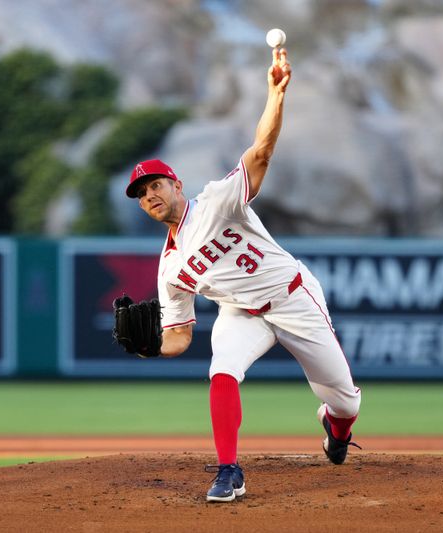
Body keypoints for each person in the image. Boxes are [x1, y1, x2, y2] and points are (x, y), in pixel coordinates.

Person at [123, 48, 361, 502]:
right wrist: (150, 347)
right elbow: (179, 336)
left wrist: (275, 95)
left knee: (345, 400)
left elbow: (262, 151)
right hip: (242, 313)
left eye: (155, 185)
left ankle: (336, 427)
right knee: (222, 371)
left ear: (177, 185)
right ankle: (229, 471)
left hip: (293, 296)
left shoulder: (217, 201)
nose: (150, 195)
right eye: (141, 193)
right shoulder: (169, 269)